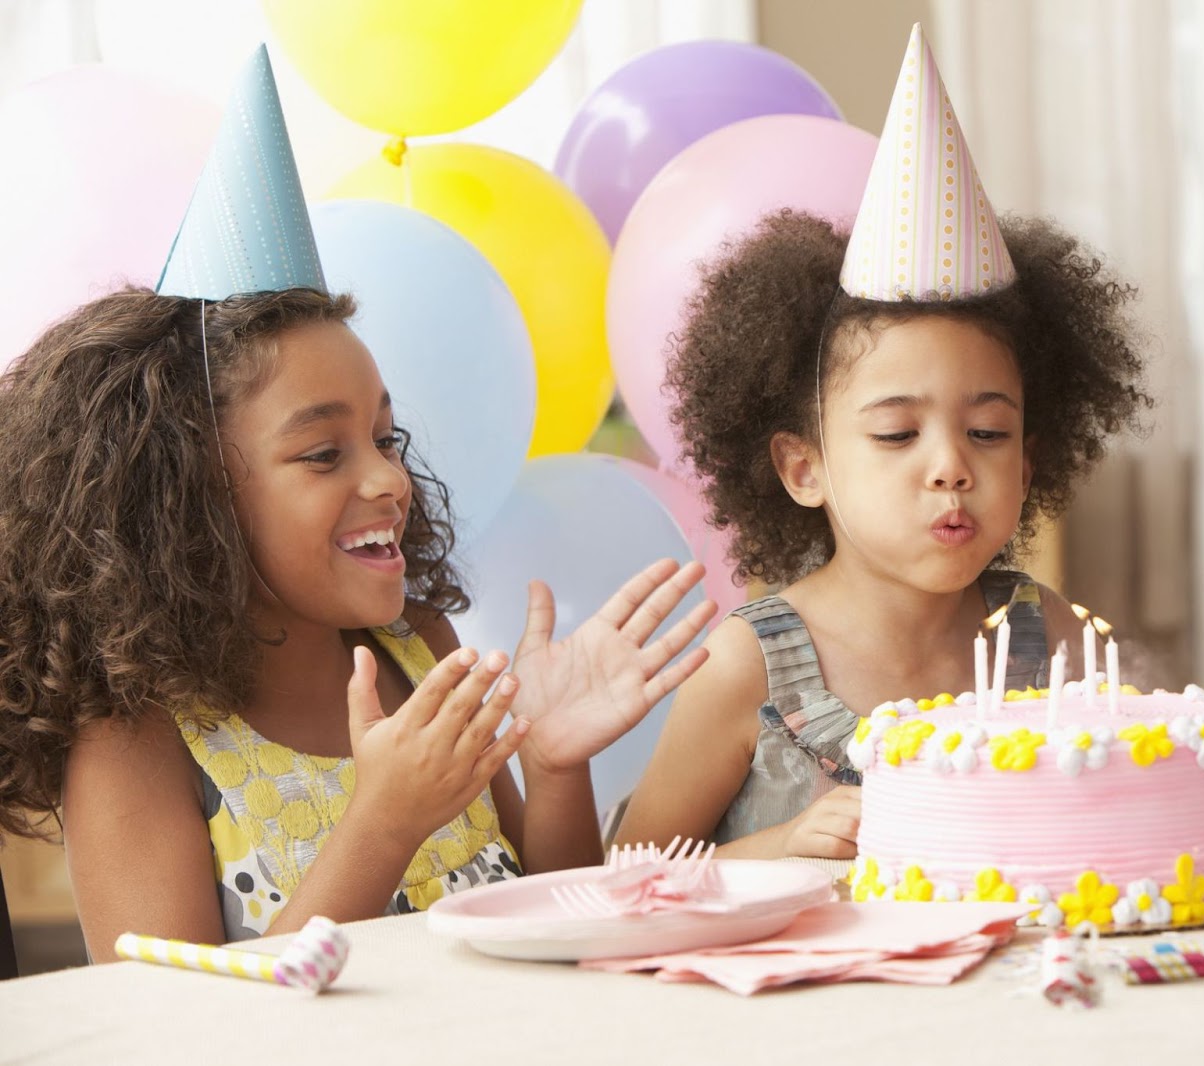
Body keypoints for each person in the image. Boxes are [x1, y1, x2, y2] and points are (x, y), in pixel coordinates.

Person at [0, 49, 713, 961]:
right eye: (323, 452)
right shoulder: (138, 743)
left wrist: (555, 765)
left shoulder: (421, 653)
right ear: (191, 500)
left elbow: (551, 939)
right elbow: (174, 1037)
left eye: (385, 438)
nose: (387, 479)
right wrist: (383, 825)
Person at [615, 25, 1149, 859]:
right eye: (898, 433)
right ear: (804, 468)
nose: (950, 469)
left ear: (1029, 460)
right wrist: (782, 845)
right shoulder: (747, 668)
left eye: (988, 432)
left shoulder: (1055, 643)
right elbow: (634, 873)